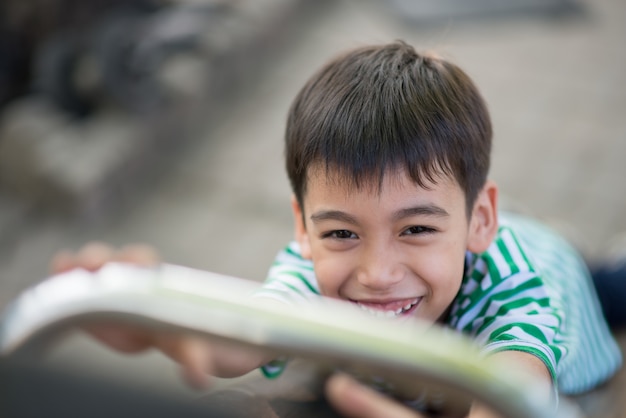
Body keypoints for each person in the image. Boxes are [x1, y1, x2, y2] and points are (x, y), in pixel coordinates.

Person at [51, 41, 622, 417]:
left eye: (416, 228)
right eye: (343, 234)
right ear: (302, 227)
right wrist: (160, 321)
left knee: (605, 292)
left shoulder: (519, 295)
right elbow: (245, 331)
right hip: (433, 338)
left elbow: (512, 393)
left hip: (562, 298)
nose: (376, 274)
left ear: (479, 221)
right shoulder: (309, 268)